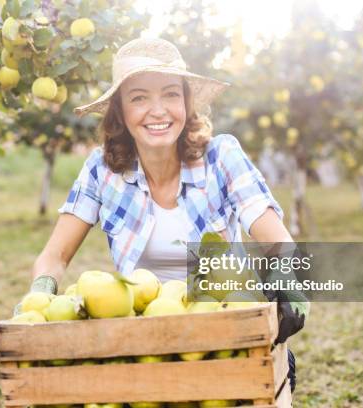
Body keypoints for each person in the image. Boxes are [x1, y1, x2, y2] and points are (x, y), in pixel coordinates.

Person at [22, 37, 307, 393]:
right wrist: (40, 294)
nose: (158, 110)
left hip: (228, 334)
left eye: (171, 94)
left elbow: (277, 240)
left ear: (187, 104)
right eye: (139, 97)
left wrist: (288, 279)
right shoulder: (102, 169)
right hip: (143, 344)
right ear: (120, 112)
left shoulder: (222, 157)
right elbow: (54, 256)